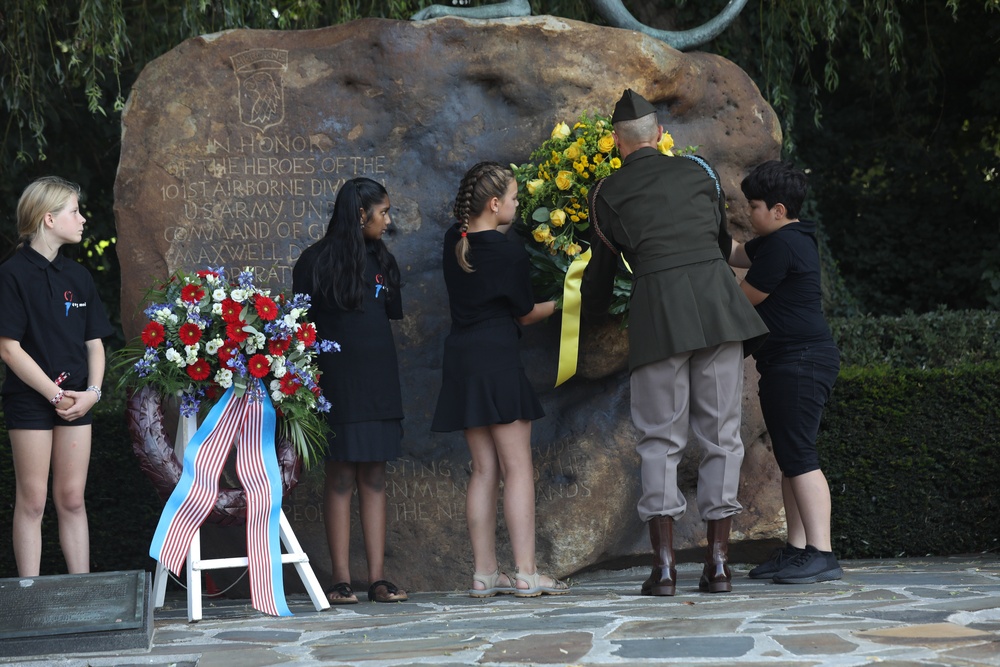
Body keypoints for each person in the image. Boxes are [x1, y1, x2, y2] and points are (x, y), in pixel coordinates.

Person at [581, 90, 769, 596]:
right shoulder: (700, 172)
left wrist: (584, 314)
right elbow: (713, 240)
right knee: (721, 436)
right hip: (716, 311)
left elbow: (602, 270)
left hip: (658, 317)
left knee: (659, 441)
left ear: (618, 143)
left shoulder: (606, 192)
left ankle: (664, 570)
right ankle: (719, 566)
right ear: (660, 133)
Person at [431, 161, 570, 598]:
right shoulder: (509, 253)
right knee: (517, 468)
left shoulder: (456, 240)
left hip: (463, 359)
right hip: (497, 357)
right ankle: (526, 572)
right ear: (494, 204)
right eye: (512, 198)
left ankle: (485, 574)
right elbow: (526, 313)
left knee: (483, 469)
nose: (516, 204)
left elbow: (482, 249)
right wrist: (568, 300)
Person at [292, 177, 408, 604]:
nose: (387, 221)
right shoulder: (314, 261)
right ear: (361, 215)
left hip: (379, 384)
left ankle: (377, 578)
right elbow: (299, 329)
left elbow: (389, 314)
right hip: (334, 386)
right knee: (340, 475)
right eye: (383, 213)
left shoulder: (382, 260)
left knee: (374, 475)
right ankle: (340, 579)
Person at [728, 160, 843, 584]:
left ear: (777, 210)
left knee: (800, 456)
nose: (748, 214)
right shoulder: (784, 237)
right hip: (788, 361)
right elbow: (735, 252)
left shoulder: (782, 245)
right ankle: (798, 549)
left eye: (753, 206)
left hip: (801, 360)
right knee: (790, 455)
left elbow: (744, 298)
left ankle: (822, 553)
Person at [0, 176, 114, 577]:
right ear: (49, 219)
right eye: (74, 212)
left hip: (78, 400)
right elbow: (9, 348)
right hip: (31, 400)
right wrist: (53, 394)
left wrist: (93, 394)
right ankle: (28, 598)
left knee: (72, 499)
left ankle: (80, 592)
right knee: (32, 501)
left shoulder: (79, 276)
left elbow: (95, 344)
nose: (82, 220)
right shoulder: (12, 274)